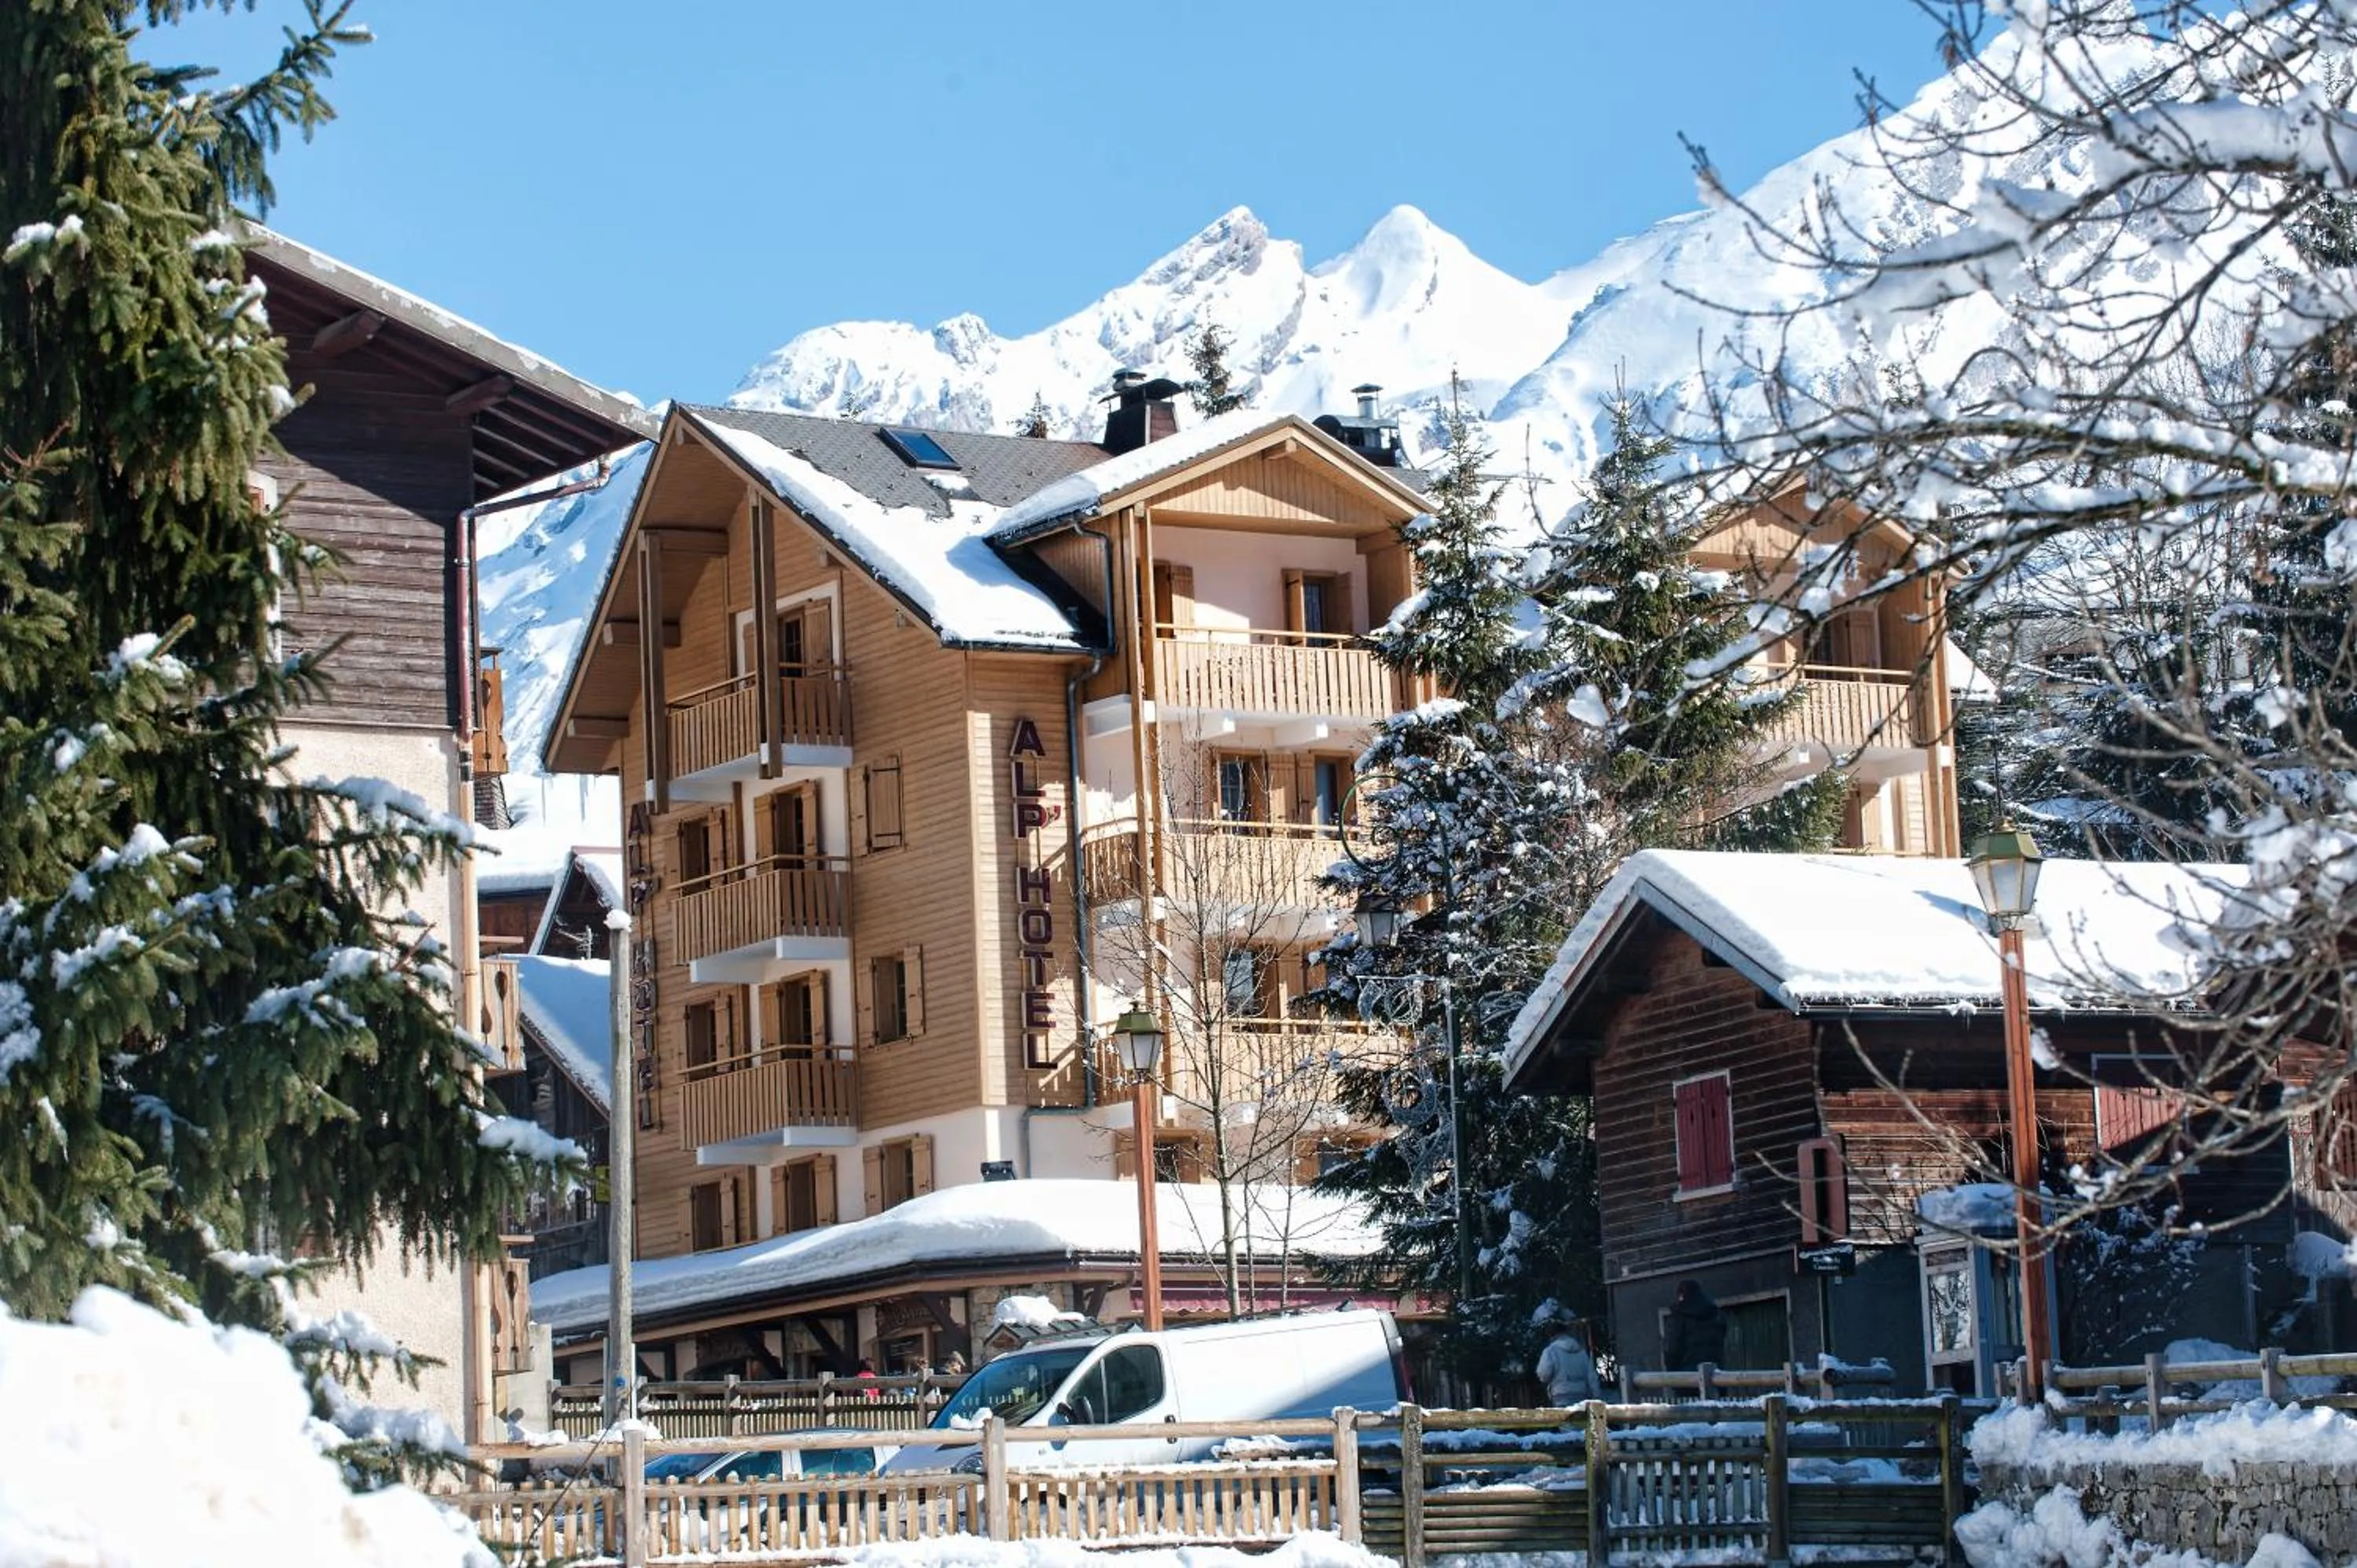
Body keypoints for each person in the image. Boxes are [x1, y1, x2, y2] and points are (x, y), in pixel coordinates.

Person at [1662, 1280, 1728, 1372]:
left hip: (1686, 1373)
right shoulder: (1715, 1313)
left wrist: (1671, 1371)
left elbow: (1672, 1348)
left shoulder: (1679, 1316)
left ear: (1681, 1295)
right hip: (1715, 1370)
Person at [1534, 1318, 1600, 1407]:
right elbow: (1591, 1376)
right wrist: (1596, 1395)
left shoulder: (1551, 1351)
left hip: (1560, 1393)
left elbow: (1544, 1374)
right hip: (1581, 1393)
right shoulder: (1581, 1352)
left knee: (1565, 1419)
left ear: (1552, 1335)